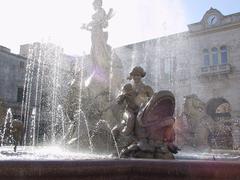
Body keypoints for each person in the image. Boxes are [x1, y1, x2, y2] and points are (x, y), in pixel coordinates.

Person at [81, 0, 114, 72]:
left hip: (98, 34)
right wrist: (86, 27)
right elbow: (93, 27)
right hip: (94, 34)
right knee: (93, 52)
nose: (93, 6)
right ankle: (96, 69)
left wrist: (87, 24)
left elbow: (96, 22)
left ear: (98, 3)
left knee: (97, 50)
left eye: (94, 4)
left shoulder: (101, 11)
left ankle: (102, 67)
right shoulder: (99, 12)